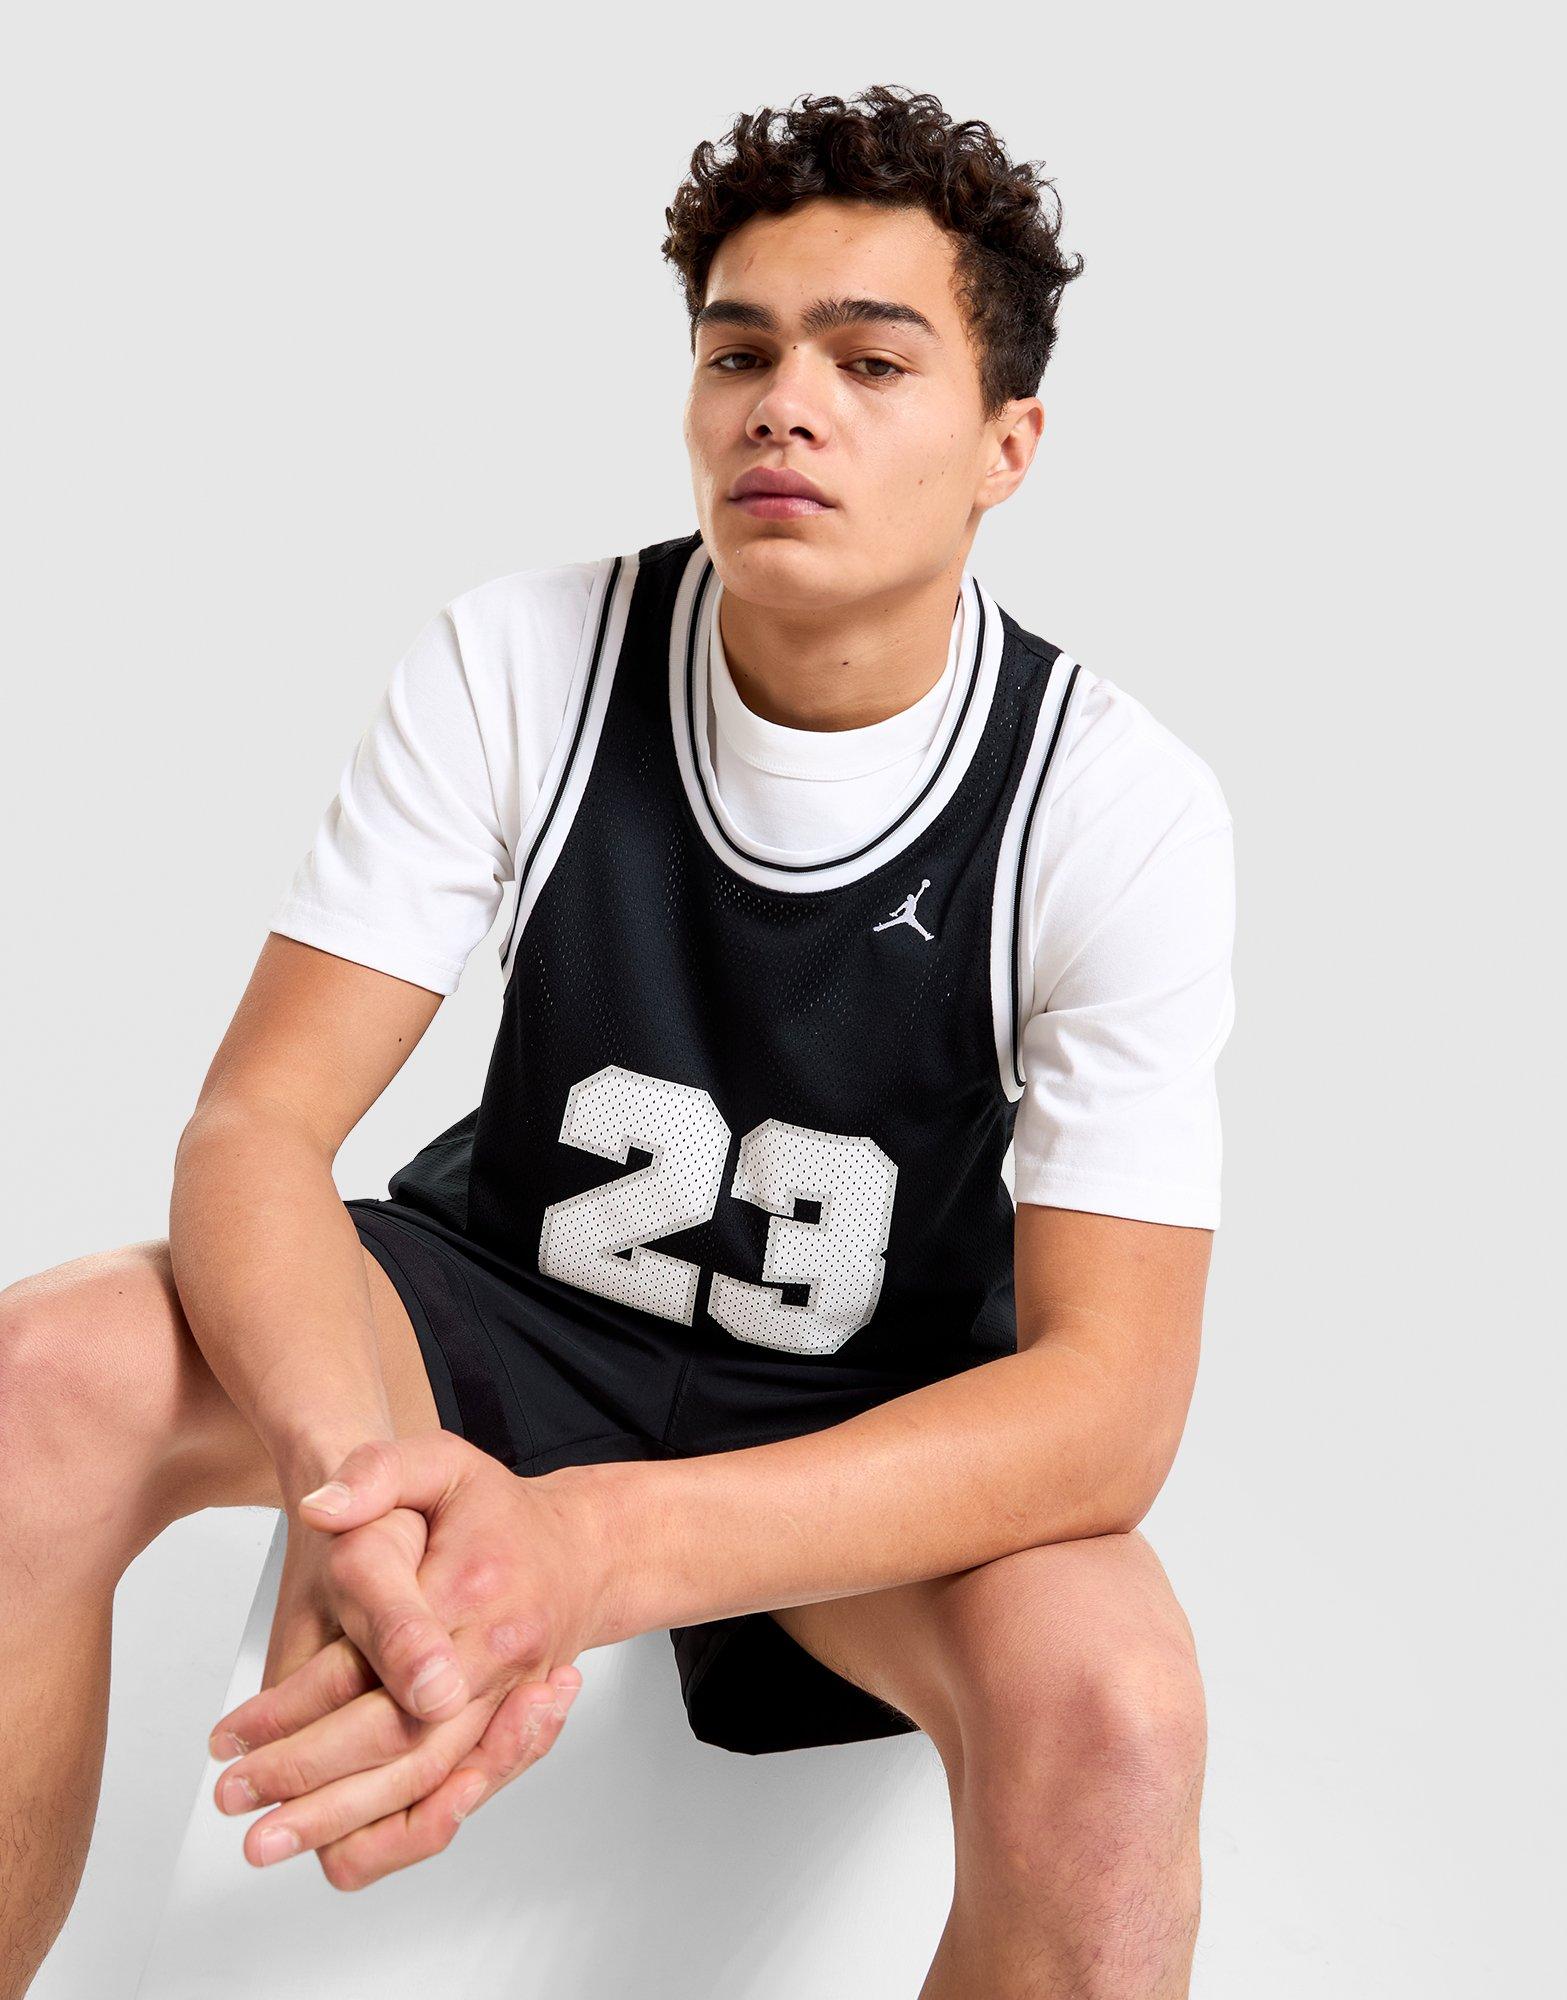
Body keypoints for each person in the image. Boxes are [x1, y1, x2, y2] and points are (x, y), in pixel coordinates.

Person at [0, 84, 1234, 1999]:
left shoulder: (1115, 805)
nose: (783, 405)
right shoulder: (524, 655)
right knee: (43, 1374)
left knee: (1122, 1710)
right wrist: (363, 1485)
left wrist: (591, 1552)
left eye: (868, 361)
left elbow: (1113, 1405)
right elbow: (255, 1127)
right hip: (502, 1308)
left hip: (858, 1402)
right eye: (739, 352)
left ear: (1010, 442)